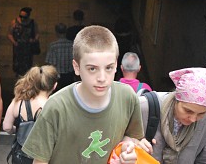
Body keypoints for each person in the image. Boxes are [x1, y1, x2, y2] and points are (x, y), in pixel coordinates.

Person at [22, 25, 144, 164]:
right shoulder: (56, 107)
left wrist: (126, 149)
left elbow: (132, 137)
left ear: (116, 65)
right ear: (76, 67)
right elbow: (40, 161)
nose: (102, 78)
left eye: (109, 68)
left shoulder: (127, 97)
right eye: (92, 68)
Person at [138, 67, 206, 164]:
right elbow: (118, 142)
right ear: (176, 99)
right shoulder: (144, 107)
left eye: (201, 113)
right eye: (188, 111)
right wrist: (133, 143)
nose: (193, 119)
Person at [3, 65, 59, 134]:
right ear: (55, 86)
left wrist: (19, 131)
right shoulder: (55, 105)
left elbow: (7, 127)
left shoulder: (18, 101)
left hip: (22, 144)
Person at [8, 7, 39, 76]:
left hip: (28, 47)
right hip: (18, 47)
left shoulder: (32, 23)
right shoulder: (14, 22)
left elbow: (37, 33)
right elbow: (10, 34)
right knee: (17, 62)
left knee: (28, 63)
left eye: (24, 17)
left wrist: (34, 40)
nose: (22, 18)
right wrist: (14, 42)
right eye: (20, 16)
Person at [45, 23, 74, 91]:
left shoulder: (53, 45)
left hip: (57, 75)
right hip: (69, 75)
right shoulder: (71, 44)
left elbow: (50, 62)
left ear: (56, 32)